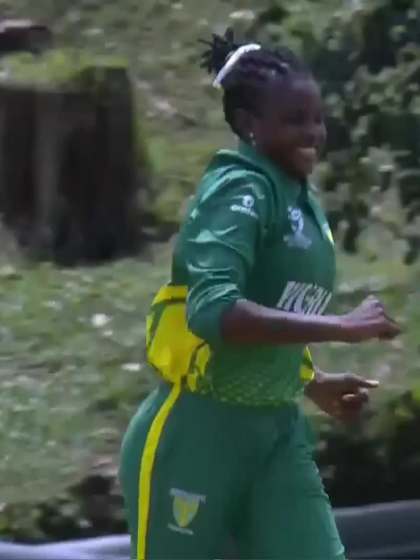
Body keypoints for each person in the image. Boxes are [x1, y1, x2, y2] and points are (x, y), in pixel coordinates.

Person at [119, 29, 400, 560]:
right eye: (294, 120)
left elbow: (276, 307)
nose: (312, 133)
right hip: (197, 436)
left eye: (316, 118)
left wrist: (308, 379)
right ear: (249, 123)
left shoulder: (300, 199)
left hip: (275, 433)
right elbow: (215, 312)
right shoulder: (239, 189)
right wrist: (342, 326)